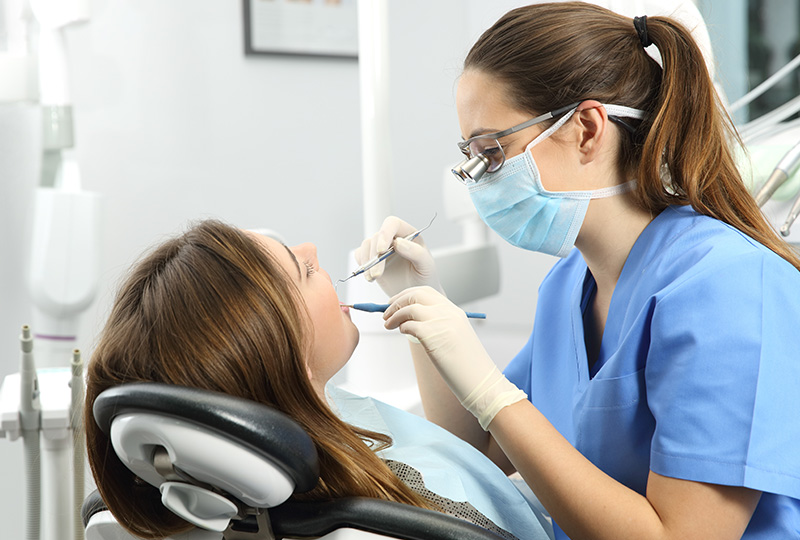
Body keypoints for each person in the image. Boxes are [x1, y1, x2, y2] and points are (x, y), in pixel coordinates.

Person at [355, 3, 800, 539]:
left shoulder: (729, 286)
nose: (479, 183)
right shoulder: (569, 285)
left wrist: (494, 392)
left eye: (492, 153)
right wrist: (423, 307)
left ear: (588, 128)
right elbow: (479, 448)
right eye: (470, 158)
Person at [84, 219, 551, 540]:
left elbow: (454, 454)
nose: (311, 249)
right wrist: (491, 395)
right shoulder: (401, 513)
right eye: (303, 270)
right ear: (292, 367)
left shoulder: (275, 456)